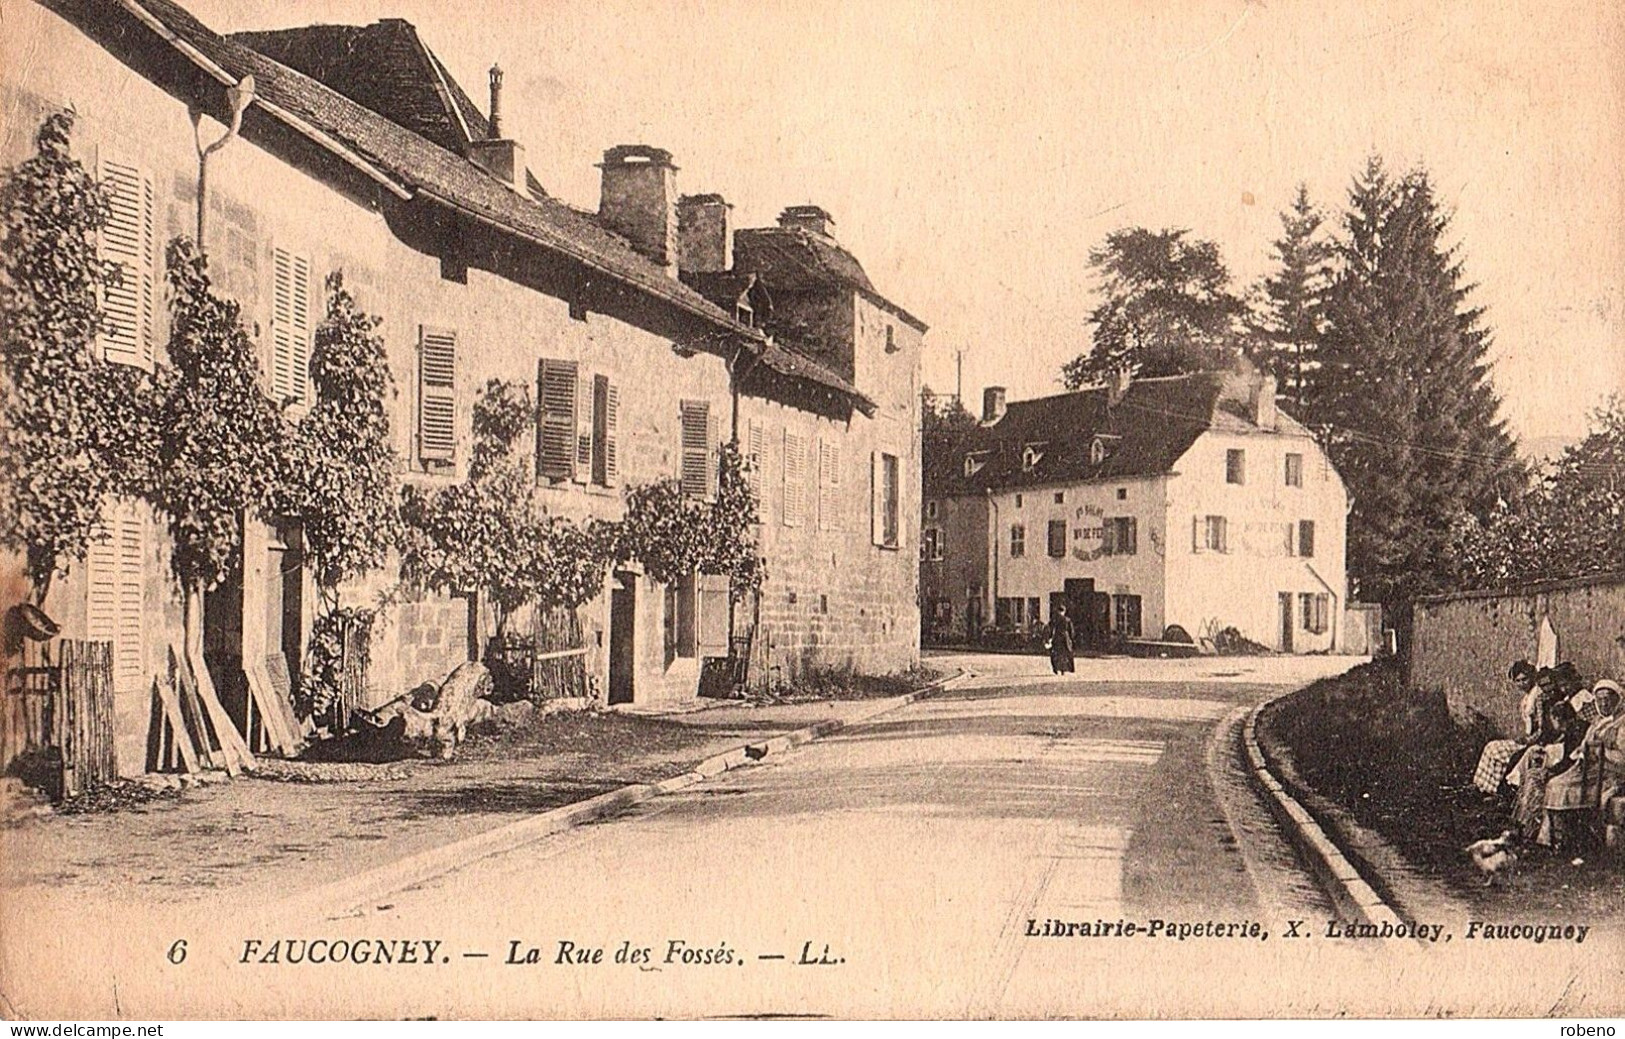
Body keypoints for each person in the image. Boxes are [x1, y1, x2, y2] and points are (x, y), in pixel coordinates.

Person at [1473, 660, 1539, 796]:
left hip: (1533, 740)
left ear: (1532, 677)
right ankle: (1483, 787)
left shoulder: (1536, 695)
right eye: (1518, 681)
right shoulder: (1527, 697)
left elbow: (1538, 725)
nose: (1521, 684)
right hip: (1527, 737)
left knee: (1496, 751)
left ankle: (1494, 789)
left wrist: (1528, 739)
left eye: (1524, 679)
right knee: (1491, 747)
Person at [1538, 700, 1593, 851]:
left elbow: (1571, 759)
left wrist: (1552, 772)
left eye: (1554, 720)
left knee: (1545, 784)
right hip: (1582, 768)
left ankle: (1547, 837)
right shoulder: (1576, 727)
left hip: (1585, 772)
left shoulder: (1575, 730)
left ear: (1557, 718)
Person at [1047, 605, 1076, 675]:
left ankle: (1056, 668)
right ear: (1064, 611)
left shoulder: (1054, 619)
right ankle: (1063, 669)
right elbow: (1071, 631)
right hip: (1065, 638)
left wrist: (1049, 637)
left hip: (1057, 637)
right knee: (1065, 654)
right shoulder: (1067, 620)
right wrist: (1071, 639)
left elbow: (1050, 629)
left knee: (1056, 654)